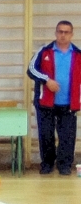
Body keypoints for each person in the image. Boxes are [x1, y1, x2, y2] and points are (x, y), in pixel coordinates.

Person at [28, 20, 78, 175]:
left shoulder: (78, 54)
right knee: (46, 135)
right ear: (56, 33)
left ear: (71, 34)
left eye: (66, 32)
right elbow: (31, 70)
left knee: (67, 136)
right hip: (46, 102)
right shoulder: (44, 51)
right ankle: (47, 164)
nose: (63, 35)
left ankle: (64, 165)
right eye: (60, 31)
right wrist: (47, 80)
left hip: (69, 103)